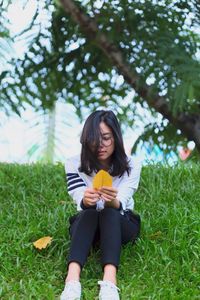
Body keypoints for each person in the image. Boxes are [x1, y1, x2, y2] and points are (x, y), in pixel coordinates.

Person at [60, 110, 142, 300]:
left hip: (121, 224)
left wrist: (112, 200)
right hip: (88, 225)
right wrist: (85, 200)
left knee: (109, 212)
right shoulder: (74, 164)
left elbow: (122, 201)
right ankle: (72, 282)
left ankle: (110, 283)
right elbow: (78, 197)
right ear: (85, 140)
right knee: (88, 213)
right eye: (94, 139)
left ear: (116, 137)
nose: (100, 145)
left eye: (106, 138)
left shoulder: (132, 165)